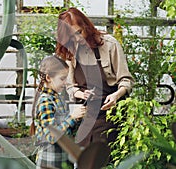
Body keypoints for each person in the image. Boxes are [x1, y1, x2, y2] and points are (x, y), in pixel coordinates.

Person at [55, 7, 134, 154]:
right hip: (85, 118)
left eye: (79, 32)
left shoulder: (109, 45)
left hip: (110, 117)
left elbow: (126, 80)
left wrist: (116, 96)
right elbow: (70, 86)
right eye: (72, 37)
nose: (78, 38)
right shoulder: (71, 51)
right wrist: (80, 94)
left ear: (86, 25)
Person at [31, 55, 86, 169]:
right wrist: (72, 117)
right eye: (62, 78)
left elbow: (66, 132)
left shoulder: (58, 99)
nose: (66, 82)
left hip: (63, 161)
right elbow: (51, 136)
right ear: (48, 78)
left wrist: (78, 118)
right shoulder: (46, 101)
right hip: (50, 162)